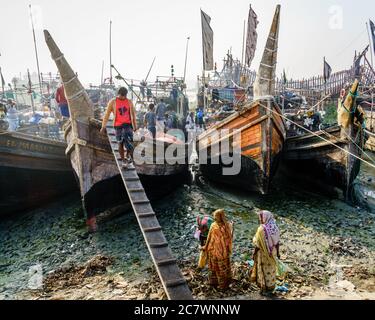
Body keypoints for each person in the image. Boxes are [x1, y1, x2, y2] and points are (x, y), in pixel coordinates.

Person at [100, 87, 137, 168]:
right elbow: (106, 115)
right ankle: (123, 160)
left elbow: (133, 115)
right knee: (120, 143)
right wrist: (103, 126)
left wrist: (135, 127)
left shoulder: (129, 102)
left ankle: (128, 156)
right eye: (121, 95)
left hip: (128, 125)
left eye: (124, 96)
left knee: (130, 142)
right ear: (118, 94)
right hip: (118, 126)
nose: (123, 97)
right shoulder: (113, 102)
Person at [201, 209, 233, 290]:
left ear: (221, 217)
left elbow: (229, 238)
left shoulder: (226, 226)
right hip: (212, 249)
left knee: (222, 268)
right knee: (213, 266)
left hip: (222, 251)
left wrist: (228, 248)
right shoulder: (213, 225)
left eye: (216, 216)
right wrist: (206, 246)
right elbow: (209, 236)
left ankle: (223, 285)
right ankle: (213, 282)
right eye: (214, 216)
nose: (214, 218)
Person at [251, 210, 280, 295]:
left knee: (263, 270)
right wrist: (278, 253)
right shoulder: (274, 226)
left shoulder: (261, 229)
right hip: (273, 252)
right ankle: (271, 288)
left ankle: (264, 288)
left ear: (264, 217)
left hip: (263, 253)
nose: (259, 219)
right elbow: (277, 242)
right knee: (271, 270)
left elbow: (257, 244)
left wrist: (254, 253)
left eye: (260, 217)